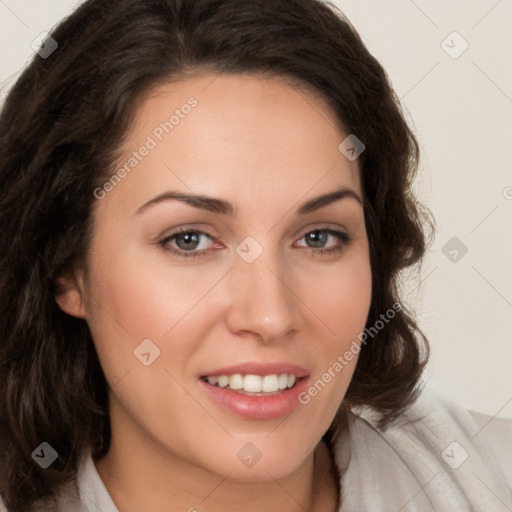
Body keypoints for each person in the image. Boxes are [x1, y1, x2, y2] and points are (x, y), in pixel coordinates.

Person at [0, 0, 510, 511]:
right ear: (67, 268)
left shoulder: (482, 473)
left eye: (318, 237)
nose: (270, 315)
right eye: (189, 240)